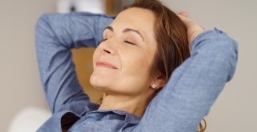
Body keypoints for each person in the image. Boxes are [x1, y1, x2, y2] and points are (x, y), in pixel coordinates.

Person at [35, 0, 238, 131]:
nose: (105, 46)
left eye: (130, 41)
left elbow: (219, 51)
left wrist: (191, 31)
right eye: (105, 37)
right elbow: (49, 29)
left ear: (160, 77)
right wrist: (127, 23)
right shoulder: (72, 110)